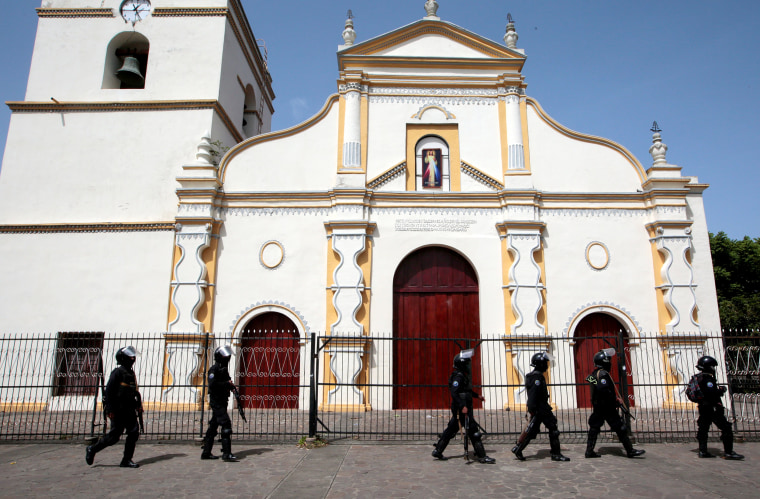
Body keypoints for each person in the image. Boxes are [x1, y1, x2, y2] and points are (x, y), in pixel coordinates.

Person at [432, 349, 495, 463]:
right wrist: (462, 406)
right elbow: (455, 392)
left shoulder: (461, 375)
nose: (468, 366)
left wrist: (477, 396)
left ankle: (438, 450)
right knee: (473, 431)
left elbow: (466, 391)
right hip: (461, 408)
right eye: (466, 363)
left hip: (462, 407)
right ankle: (482, 456)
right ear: (461, 364)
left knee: (451, 429)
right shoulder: (458, 377)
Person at [85, 346, 141, 468]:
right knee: (114, 437)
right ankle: (93, 449)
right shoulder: (117, 372)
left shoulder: (131, 373)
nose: (133, 358)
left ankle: (126, 459)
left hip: (129, 409)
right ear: (123, 358)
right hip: (118, 409)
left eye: (133, 356)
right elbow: (109, 392)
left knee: (134, 433)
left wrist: (138, 405)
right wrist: (110, 409)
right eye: (130, 356)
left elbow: (134, 392)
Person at [585, 348, 645, 459]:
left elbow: (591, 382)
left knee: (594, 428)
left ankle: (589, 451)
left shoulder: (595, 373)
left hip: (599, 406)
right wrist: (615, 400)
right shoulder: (603, 374)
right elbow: (604, 390)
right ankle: (630, 450)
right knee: (620, 428)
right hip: (607, 407)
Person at [511, 352, 570, 461]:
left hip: (541, 408)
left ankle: (518, 449)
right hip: (540, 409)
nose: (547, 365)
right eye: (545, 363)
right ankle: (556, 454)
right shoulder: (536, 378)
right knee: (552, 429)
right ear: (540, 364)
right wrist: (533, 410)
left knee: (532, 430)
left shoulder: (536, 376)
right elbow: (533, 396)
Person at [693, 355, 744, 460]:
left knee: (703, 428)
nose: (713, 369)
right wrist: (721, 390)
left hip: (703, 407)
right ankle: (728, 452)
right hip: (712, 408)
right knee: (726, 428)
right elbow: (710, 393)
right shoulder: (707, 379)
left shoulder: (698, 377)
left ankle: (703, 451)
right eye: (712, 366)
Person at [201, 345, 239, 462]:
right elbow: (212, 385)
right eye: (225, 356)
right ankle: (226, 454)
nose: (227, 358)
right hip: (216, 401)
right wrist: (226, 384)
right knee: (226, 424)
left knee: (213, 426)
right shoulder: (214, 369)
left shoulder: (223, 369)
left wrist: (231, 386)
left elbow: (226, 382)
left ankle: (206, 452)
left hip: (222, 401)